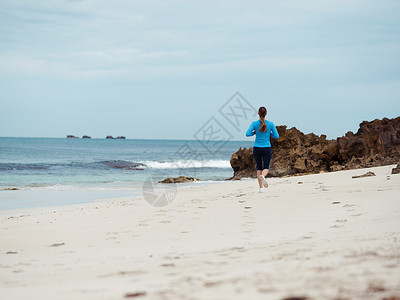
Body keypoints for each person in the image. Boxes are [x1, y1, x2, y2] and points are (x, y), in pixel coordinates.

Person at [246, 106, 279, 193]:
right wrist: (269, 133)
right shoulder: (270, 124)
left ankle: (261, 188)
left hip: (257, 148)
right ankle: (263, 177)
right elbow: (277, 136)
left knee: (259, 168)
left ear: (258, 114)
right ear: (266, 114)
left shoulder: (254, 123)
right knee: (266, 168)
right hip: (266, 148)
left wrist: (254, 132)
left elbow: (247, 134)